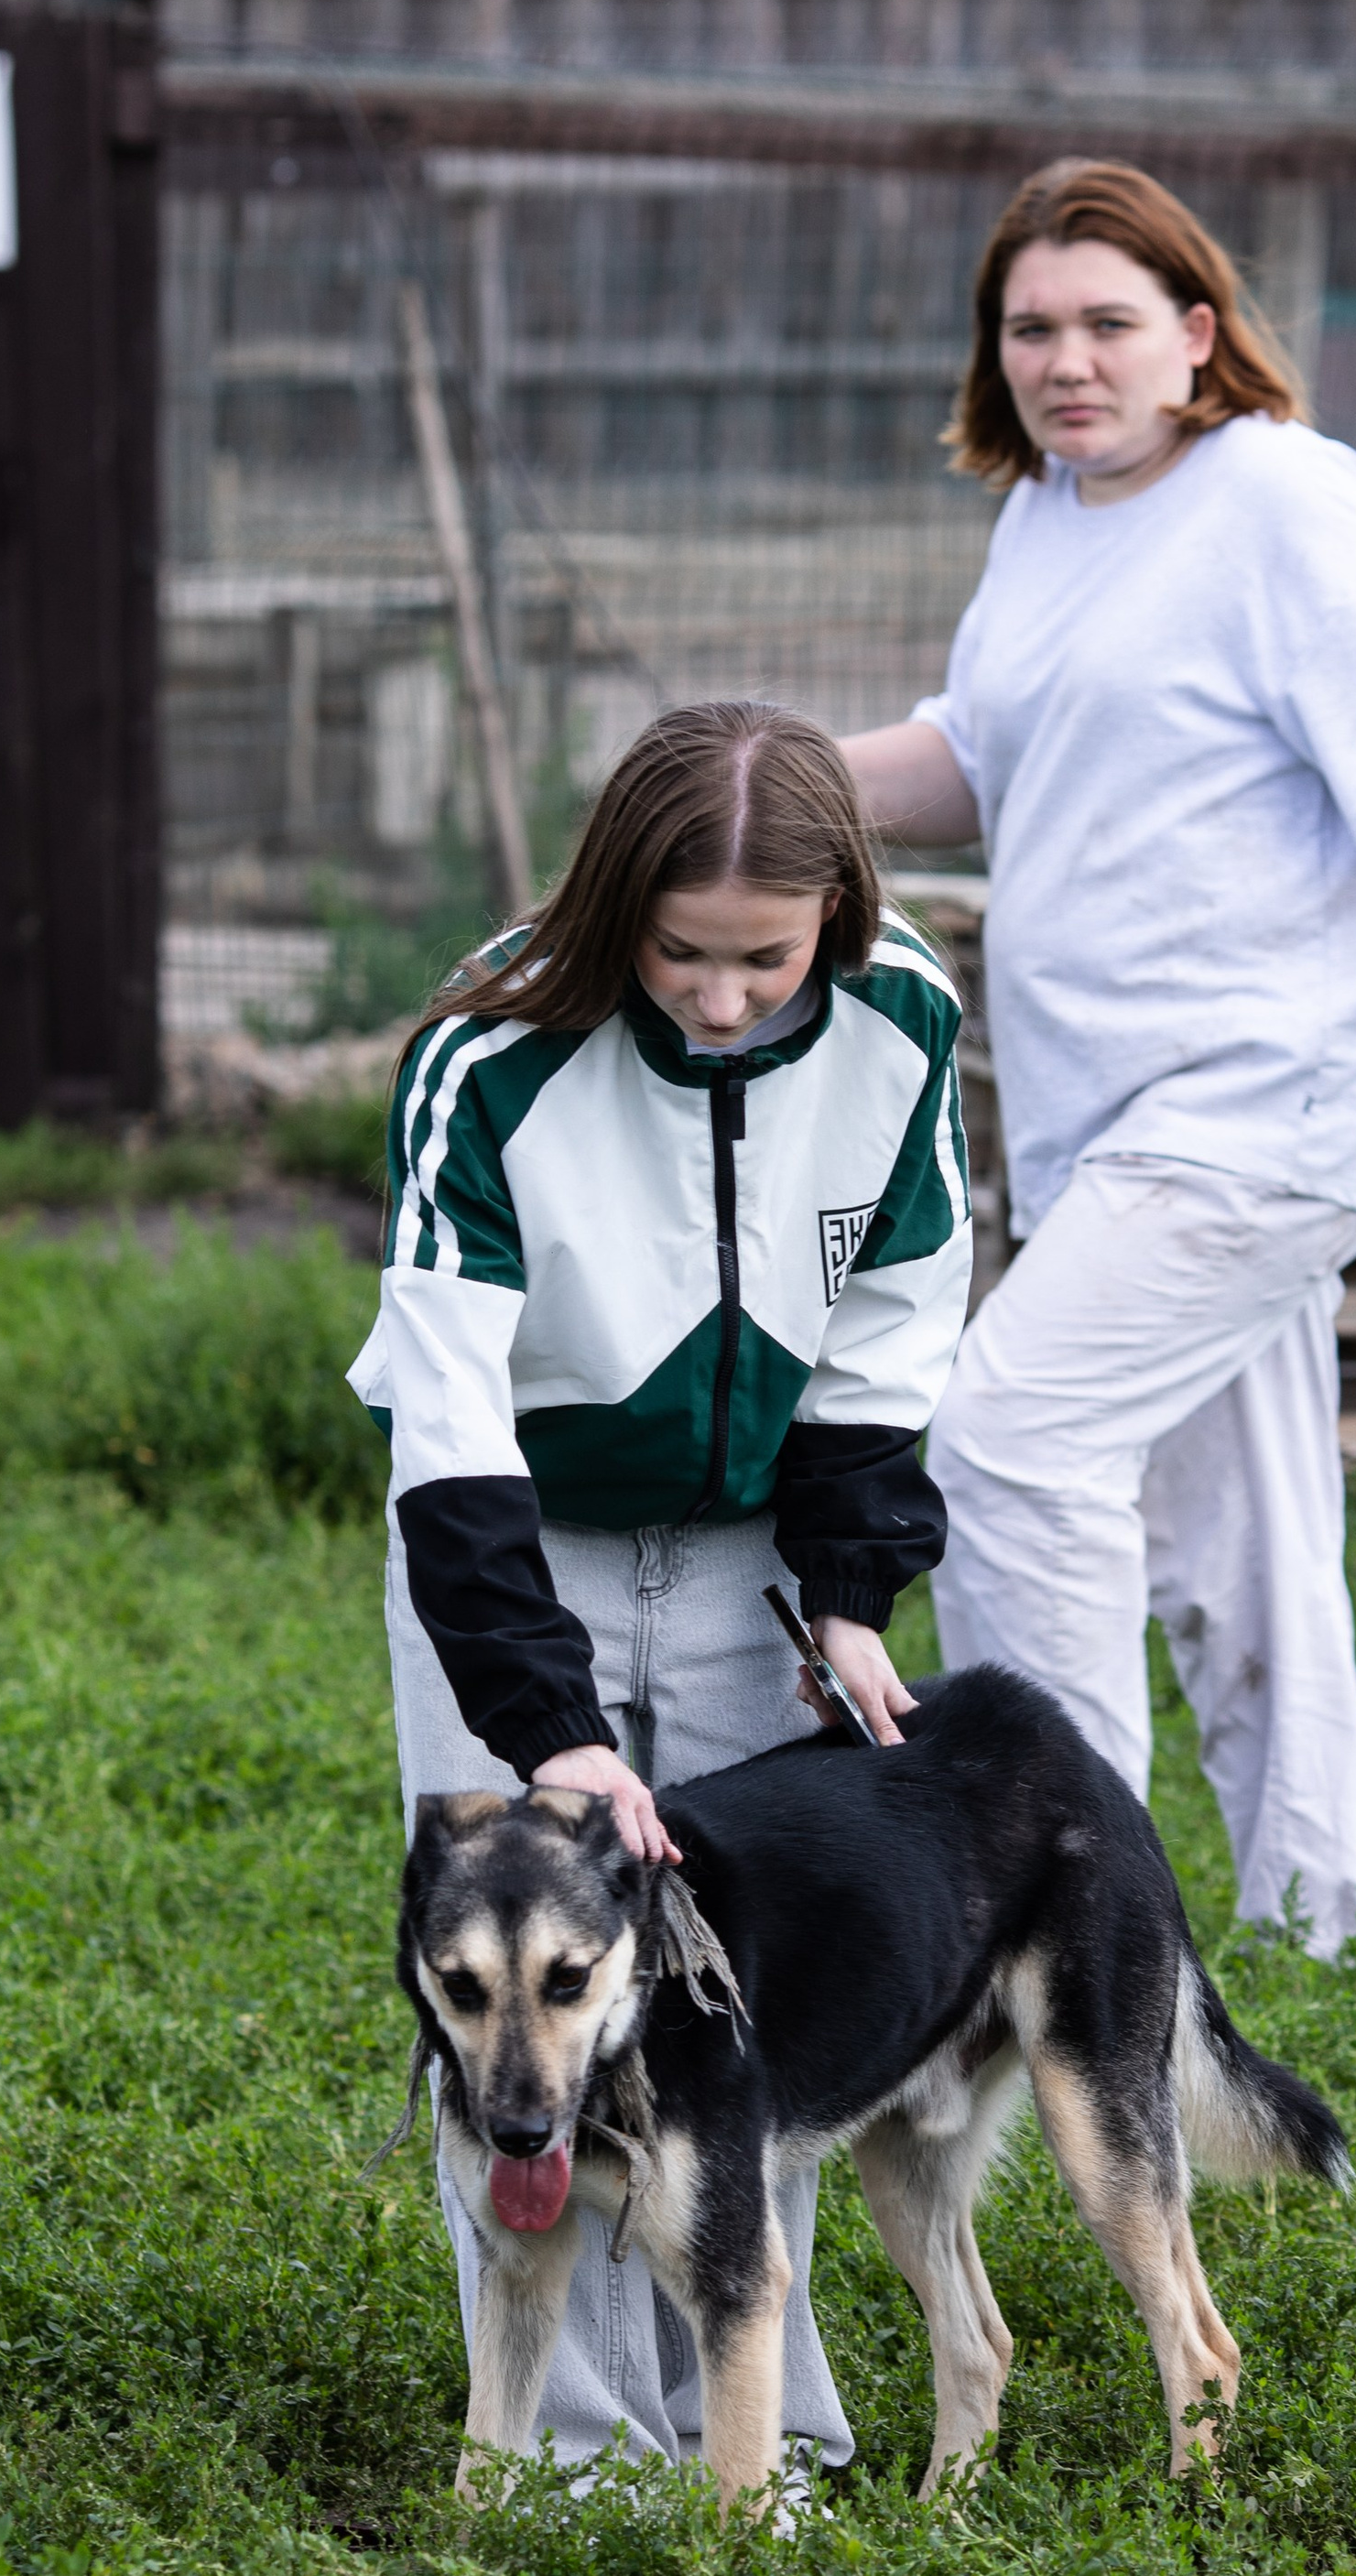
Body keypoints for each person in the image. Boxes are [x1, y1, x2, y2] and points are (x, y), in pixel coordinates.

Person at [841, 159, 1356, 1957]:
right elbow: (980, 755)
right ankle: (1320, 1918)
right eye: (1029, 328)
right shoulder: (1046, 516)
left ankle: (1054, 1910)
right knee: (1247, 1534)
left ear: (1197, 334)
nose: (1065, 362)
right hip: (1103, 1117)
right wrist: (749, 766)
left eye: (1107, 323)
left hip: (1264, 1102)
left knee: (1005, 1441)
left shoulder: (1284, 500)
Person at [353, 699, 974, 2484]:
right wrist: (545, 1728)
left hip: (752, 1566)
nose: (717, 997)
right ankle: (557, 2456)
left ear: (836, 919)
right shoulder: (488, 1056)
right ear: (609, 904)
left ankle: (747, 2425)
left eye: (762, 960)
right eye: (678, 953)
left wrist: (849, 1596)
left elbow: (887, 1329)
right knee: (516, 1988)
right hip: (510, 1546)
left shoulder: (903, 1023)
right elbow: (447, 1420)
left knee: (720, 1997)